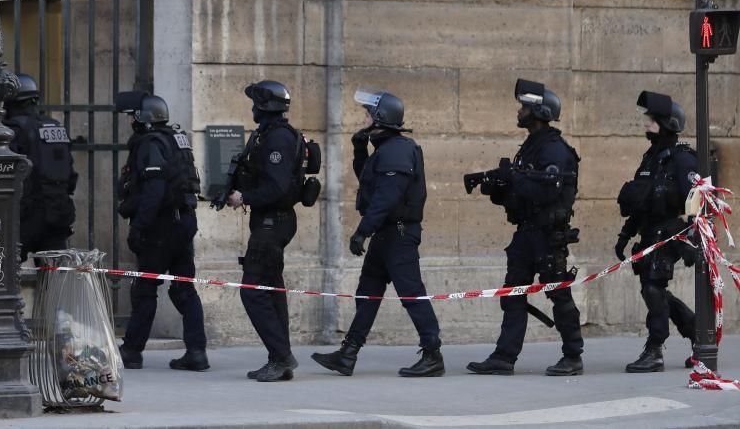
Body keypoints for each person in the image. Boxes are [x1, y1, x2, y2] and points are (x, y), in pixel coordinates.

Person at [312, 89, 443, 378]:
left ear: (380, 117)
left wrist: (362, 231)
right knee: (368, 294)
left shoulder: (398, 149)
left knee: (411, 294)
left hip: (398, 234)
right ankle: (348, 354)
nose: (365, 117)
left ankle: (433, 354)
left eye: (368, 113)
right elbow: (370, 182)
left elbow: (387, 197)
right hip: (385, 235)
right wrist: (361, 151)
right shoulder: (385, 150)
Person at [466, 79, 584, 376]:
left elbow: (546, 192)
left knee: (558, 295)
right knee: (512, 293)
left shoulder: (555, 150)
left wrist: (513, 178)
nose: (519, 111)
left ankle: (573, 355)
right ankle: (504, 357)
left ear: (539, 112)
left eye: (525, 107)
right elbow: (521, 191)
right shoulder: (531, 148)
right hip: (526, 234)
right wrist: (497, 187)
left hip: (547, 236)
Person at [115, 90, 208, 372]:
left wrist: (139, 227)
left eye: (132, 116)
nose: (130, 120)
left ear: (142, 118)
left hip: (161, 225)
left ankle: (132, 351)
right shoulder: (177, 139)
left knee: (145, 288)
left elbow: (154, 189)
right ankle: (196, 351)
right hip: (184, 221)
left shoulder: (150, 143)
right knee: (183, 289)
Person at [225, 80, 304, 382]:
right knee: (271, 290)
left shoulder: (279, 139)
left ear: (264, 106)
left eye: (255, 104)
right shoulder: (267, 135)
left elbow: (277, 186)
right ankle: (278, 357)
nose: (252, 109)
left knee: (253, 291)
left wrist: (245, 198)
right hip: (269, 221)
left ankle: (282, 355)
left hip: (274, 222)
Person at [615, 90, 697, 373]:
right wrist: (625, 236)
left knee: (653, 287)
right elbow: (640, 201)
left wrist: (689, 239)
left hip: (672, 231)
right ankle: (698, 332)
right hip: (651, 232)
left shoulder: (683, 159)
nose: (646, 125)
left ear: (668, 123)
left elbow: (697, 204)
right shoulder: (651, 158)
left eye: (651, 120)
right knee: (653, 289)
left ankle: (655, 350)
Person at [3, 74, 78, 262]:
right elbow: (69, 172)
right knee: (54, 281)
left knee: (4, 277)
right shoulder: (55, 127)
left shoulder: (13, 130)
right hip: (58, 211)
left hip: (25, 215)